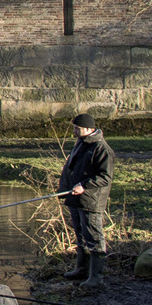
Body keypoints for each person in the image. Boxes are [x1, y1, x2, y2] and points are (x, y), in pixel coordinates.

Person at [59, 112, 114, 292]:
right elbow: (71, 168)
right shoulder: (81, 144)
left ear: (89, 129)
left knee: (94, 237)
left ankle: (96, 278)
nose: (74, 131)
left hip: (91, 200)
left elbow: (105, 177)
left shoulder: (102, 149)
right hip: (75, 199)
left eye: (77, 128)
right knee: (80, 236)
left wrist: (84, 185)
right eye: (74, 127)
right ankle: (82, 269)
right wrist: (63, 190)